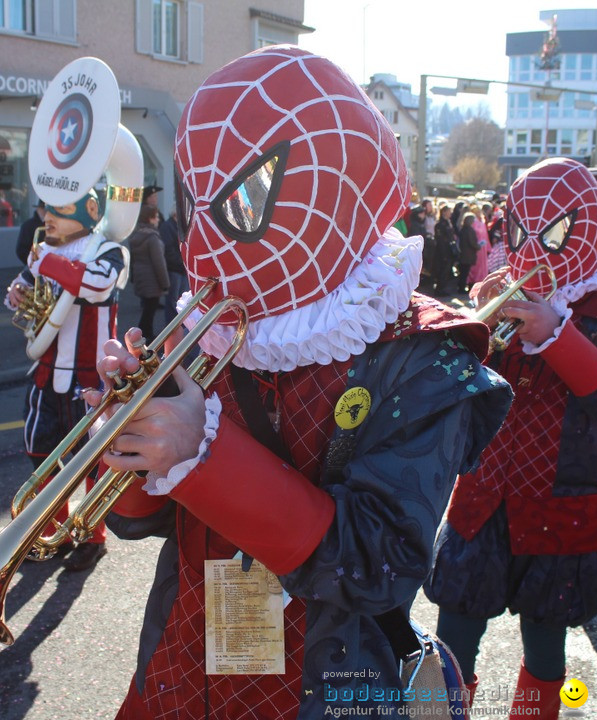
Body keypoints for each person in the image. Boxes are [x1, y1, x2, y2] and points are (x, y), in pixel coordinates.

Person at [92, 45, 511, 719]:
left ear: (328, 186)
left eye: (240, 202)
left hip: (320, 686)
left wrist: (201, 453)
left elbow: (382, 563)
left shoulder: (420, 352)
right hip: (184, 667)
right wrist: (126, 439)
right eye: (197, 204)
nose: (199, 245)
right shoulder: (208, 327)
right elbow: (139, 524)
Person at [426, 158, 597, 720]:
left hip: (562, 504)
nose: (534, 246)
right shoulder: (506, 291)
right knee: (450, 640)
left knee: (545, 647)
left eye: (550, 231)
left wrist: (556, 335)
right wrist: (471, 324)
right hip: (483, 497)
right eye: (523, 230)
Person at [5, 190, 127, 570]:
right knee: (41, 453)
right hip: (46, 370)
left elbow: (96, 284)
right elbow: (22, 291)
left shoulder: (110, 250)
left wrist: (47, 263)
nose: (47, 217)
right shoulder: (46, 250)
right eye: (47, 209)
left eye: (58, 210)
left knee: (91, 461)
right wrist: (18, 292)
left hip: (89, 375)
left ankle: (93, 535)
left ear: (88, 211)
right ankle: (54, 529)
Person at [128, 204, 169, 343]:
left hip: (141, 275)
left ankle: (145, 333)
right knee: (149, 310)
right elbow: (159, 263)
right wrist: (165, 283)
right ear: (150, 219)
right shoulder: (152, 238)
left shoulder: (137, 234)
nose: (158, 219)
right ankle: (144, 335)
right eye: (156, 217)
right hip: (152, 278)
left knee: (148, 308)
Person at [160, 209, 186, 323]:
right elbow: (168, 250)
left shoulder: (180, 225)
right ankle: (172, 328)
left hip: (182, 269)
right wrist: (182, 262)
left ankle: (181, 325)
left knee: (183, 300)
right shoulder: (167, 226)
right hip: (174, 268)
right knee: (173, 301)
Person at [433, 204, 457, 296]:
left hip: (449, 250)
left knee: (447, 271)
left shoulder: (448, 222)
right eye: (448, 211)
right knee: (442, 271)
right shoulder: (440, 224)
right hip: (442, 251)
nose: (450, 213)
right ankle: (439, 289)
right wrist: (444, 254)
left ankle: (443, 288)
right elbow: (440, 240)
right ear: (444, 212)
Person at [15, 199, 46, 266]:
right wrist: (32, 263)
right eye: (43, 208)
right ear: (38, 209)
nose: (45, 211)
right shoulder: (28, 226)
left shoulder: (53, 225)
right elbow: (21, 250)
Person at [456, 212, 480, 294]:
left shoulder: (463, 229)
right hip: (468, 254)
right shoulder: (470, 230)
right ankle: (461, 289)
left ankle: (460, 287)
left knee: (463, 272)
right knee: (465, 272)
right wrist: (478, 246)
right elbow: (472, 242)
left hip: (463, 253)